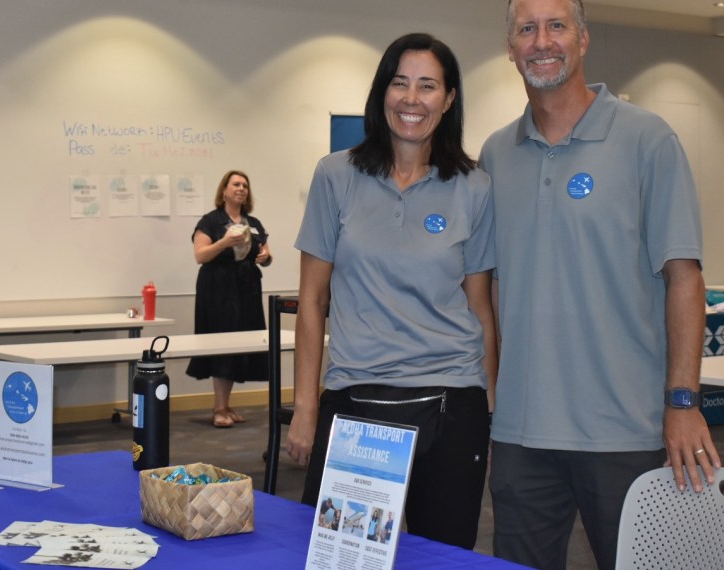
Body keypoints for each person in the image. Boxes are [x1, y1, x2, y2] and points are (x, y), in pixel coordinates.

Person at [478, 0, 721, 570]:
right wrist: (491, 403)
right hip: (521, 435)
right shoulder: (495, 155)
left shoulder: (647, 140)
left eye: (556, 25)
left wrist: (682, 401)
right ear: (510, 47)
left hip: (625, 431)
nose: (542, 41)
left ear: (583, 39)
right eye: (527, 29)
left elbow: (684, 277)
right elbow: (487, 292)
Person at [286, 32, 497, 550]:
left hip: (452, 401)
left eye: (428, 86)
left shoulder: (475, 187)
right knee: (342, 556)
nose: (412, 98)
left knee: (444, 559)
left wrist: (490, 411)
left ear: (448, 99)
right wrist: (306, 408)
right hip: (356, 400)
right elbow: (312, 301)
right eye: (400, 83)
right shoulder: (335, 176)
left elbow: (480, 307)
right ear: (382, 91)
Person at [186, 170, 273, 428]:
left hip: (247, 288)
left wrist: (266, 257)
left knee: (239, 345)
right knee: (223, 344)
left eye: (245, 185)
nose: (241, 188)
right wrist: (223, 243)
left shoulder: (253, 222)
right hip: (218, 289)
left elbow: (266, 253)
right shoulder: (210, 221)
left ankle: (225, 404)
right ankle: (219, 408)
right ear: (224, 190)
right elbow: (200, 256)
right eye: (236, 184)